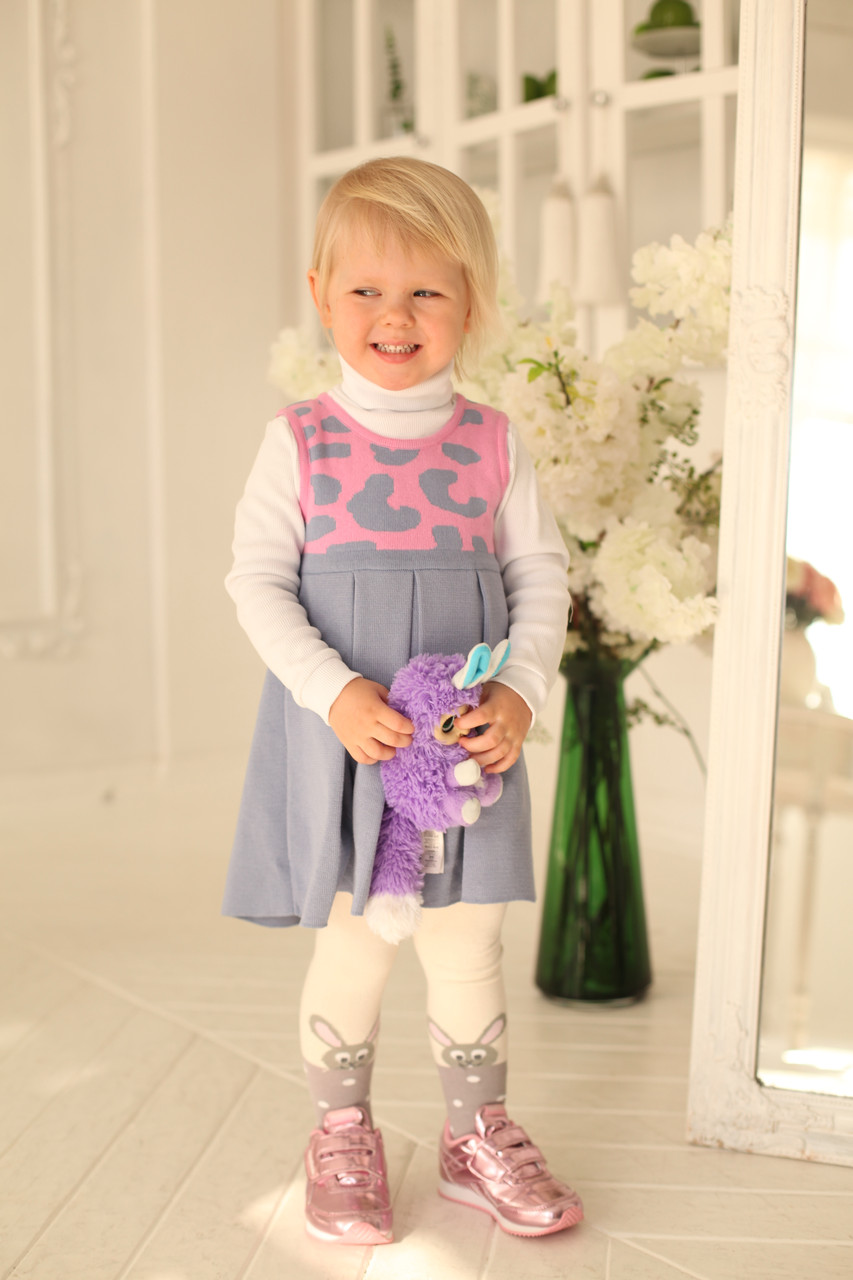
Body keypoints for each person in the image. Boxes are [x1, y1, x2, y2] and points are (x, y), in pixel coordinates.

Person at [223, 156, 582, 1245]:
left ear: (470, 301)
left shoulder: (493, 441)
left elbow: (540, 577)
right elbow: (256, 583)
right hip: (348, 750)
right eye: (367, 290)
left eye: (427, 290)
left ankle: (476, 1135)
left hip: (468, 756)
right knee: (355, 944)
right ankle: (340, 1131)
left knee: (467, 942)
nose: (396, 315)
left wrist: (519, 689)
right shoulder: (301, 439)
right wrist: (333, 692)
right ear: (320, 293)